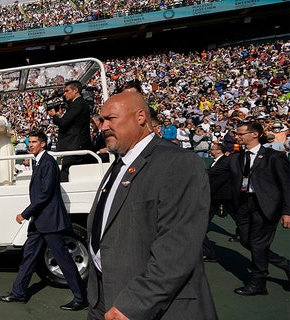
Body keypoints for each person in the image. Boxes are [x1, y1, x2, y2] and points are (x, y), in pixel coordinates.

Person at [87, 92, 216, 319]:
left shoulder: (178, 163)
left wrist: (134, 304)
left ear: (140, 117)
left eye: (110, 119)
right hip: (105, 297)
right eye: (101, 120)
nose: (103, 126)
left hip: (145, 306)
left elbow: (177, 247)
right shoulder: (120, 164)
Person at [0, 130, 87, 311]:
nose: (30, 145)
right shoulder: (39, 162)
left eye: (34, 142)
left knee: (64, 260)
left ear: (43, 144)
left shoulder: (48, 162)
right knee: (29, 256)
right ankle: (19, 293)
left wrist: (25, 213)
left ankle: (81, 298)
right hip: (40, 221)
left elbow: (45, 194)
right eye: (29, 142)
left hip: (49, 221)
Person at [227, 121, 290, 296]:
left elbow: (286, 185)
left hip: (266, 205)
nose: (237, 137)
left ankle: (258, 282)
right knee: (248, 241)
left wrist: (287, 212)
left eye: (240, 134)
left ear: (255, 134)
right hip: (244, 204)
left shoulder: (274, 157)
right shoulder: (237, 157)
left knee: (257, 244)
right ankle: (286, 265)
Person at [48, 80, 93, 182]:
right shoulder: (78, 104)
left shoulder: (77, 104)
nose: (64, 94)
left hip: (75, 147)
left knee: (65, 176)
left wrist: (55, 116)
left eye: (67, 91)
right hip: (76, 145)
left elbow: (64, 123)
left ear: (75, 90)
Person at [202, 142, 234, 262]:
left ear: (219, 151)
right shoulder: (219, 161)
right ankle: (208, 252)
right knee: (201, 224)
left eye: (213, 149)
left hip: (222, 196)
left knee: (241, 219)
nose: (211, 150)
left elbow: (219, 179)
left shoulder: (225, 161)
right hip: (216, 197)